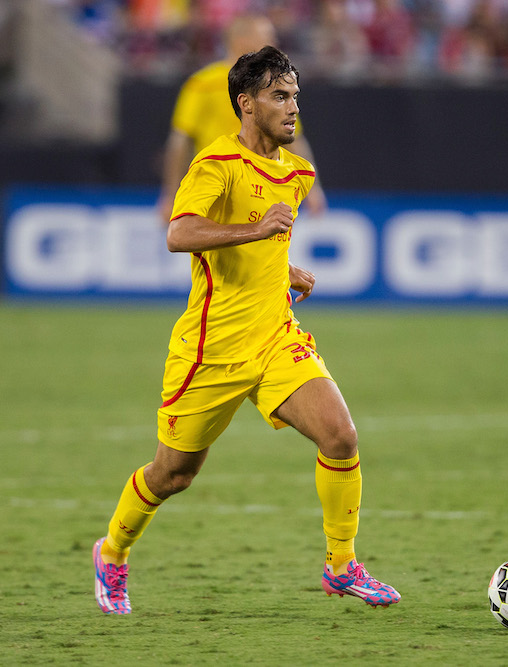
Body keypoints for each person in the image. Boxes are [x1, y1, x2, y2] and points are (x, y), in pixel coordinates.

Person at [93, 45, 401, 614]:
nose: (292, 108)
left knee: (341, 436)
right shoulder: (215, 164)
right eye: (279, 96)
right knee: (174, 473)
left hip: (277, 336)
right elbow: (180, 234)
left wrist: (285, 267)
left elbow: (265, 243)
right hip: (211, 349)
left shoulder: (299, 173)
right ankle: (112, 553)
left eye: (295, 97)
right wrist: (256, 230)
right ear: (246, 103)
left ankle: (341, 566)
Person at [157, 13, 327, 224]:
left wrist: (313, 187)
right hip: (218, 189)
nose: (274, 44)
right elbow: (180, 142)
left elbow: (293, 139)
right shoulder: (203, 85)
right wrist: (170, 194)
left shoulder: (270, 86)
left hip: (259, 189)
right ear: (242, 40)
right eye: (267, 37)